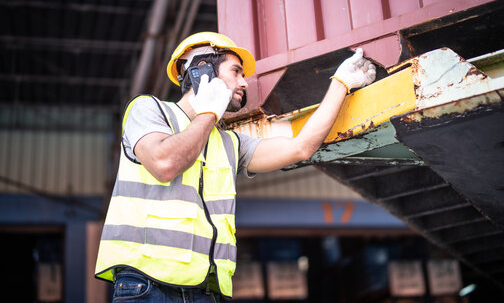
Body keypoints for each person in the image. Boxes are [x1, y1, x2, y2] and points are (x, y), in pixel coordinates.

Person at [95, 32, 376, 302]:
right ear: (202, 72)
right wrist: (209, 112)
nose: (245, 83)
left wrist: (340, 83)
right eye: (236, 71)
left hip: (205, 290)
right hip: (148, 286)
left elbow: (301, 147)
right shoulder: (148, 110)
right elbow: (165, 164)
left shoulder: (230, 143)